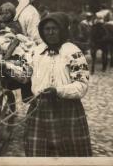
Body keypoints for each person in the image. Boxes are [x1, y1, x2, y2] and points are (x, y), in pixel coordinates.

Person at [24, 12, 92, 157]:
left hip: (66, 110)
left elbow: (82, 85)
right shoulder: (36, 52)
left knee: (69, 155)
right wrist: (3, 68)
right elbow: (25, 74)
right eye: (46, 29)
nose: (50, 32)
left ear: (62, 30)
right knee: (38, 153)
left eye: (54, 28)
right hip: (39, 108)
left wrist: (57, 90)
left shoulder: (73, 52)